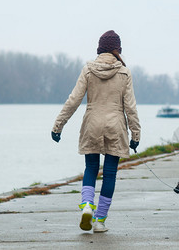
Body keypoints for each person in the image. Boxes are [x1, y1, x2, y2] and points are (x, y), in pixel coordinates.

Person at [51, 30, 141, 233]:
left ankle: (87, 206)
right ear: (118, 49)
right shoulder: (124, 73)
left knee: (91, 168)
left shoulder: (88, 70)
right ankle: (100, 220)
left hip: (92, 123)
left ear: (99, 49)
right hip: (116, 125)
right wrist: (136, 135)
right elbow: (131, 108)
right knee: (109, 174)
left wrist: (58, 126)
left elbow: (73, 100)